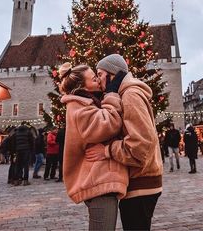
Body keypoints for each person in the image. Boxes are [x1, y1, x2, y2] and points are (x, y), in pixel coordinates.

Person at [85, 54, 163, 231]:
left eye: (100, 74)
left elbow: (140, 146)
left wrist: (106, 150)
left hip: (141, 183)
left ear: (112, 75)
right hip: (138, 182)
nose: (98, 80)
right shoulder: (125, 94)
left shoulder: (130, 96)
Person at [59, 62, 128, 231]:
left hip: (100, 179)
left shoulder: (88, 102)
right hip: (97, 182)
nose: (98, 80)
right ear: (83, 85)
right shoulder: (78, 107)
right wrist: (111, 94)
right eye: (93, 77)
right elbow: (108, 124)